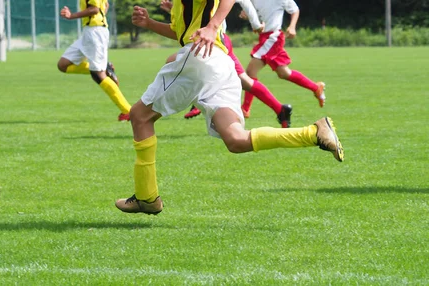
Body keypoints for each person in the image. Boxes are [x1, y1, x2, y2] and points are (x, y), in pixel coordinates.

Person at [115, 1, 344, 215]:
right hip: (220, 65)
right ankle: (314, 133)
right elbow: (181, 33)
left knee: (140, 117)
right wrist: (150, 24)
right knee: (236, 140)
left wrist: (212, 26)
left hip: (200, 57)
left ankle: (147, 197)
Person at [161, 0, 293, 128]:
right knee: (245, 82)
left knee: (176, 62)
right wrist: (174, 8)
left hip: (215, 41)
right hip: (215, 41)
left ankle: (199, 102)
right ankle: (280, 109)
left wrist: (256, 25)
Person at [241, 0, 326, 118]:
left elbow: (295, 10)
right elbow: (252, 11)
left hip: (273, 37)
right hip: (265, 37)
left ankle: (245, 109)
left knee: (251, 71)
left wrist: (292, 27)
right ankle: (316, 88)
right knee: (284, 73)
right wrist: (247, 14)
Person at [57, 0, 131, 121]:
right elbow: (105, 5)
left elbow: (94, 9)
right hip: (90, 32)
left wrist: (72, 15)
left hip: (96, 33)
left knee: (98, 75)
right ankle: (105, 69)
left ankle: (128, 111)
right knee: (63, 65)